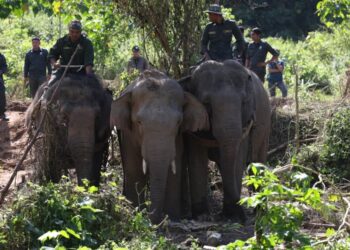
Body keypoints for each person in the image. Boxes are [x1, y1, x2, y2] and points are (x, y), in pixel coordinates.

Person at [48, 20, 94, 85]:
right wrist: (54, 63)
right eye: (72, 32)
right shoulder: (62, 41)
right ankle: (44, 95)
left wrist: (89, 76)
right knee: (50, 85)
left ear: (80, 32)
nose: (74, 34)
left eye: (77, 32)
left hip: (81, 73)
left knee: (94, 88)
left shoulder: (87, 43)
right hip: (63, 71)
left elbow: (88, 62)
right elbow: (52, 54)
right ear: (69, 31)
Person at [0, 52, 8, 121]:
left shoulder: (1, 56)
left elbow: (5, 67)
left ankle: (2, 114)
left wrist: (1, 71)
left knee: (2, 96)